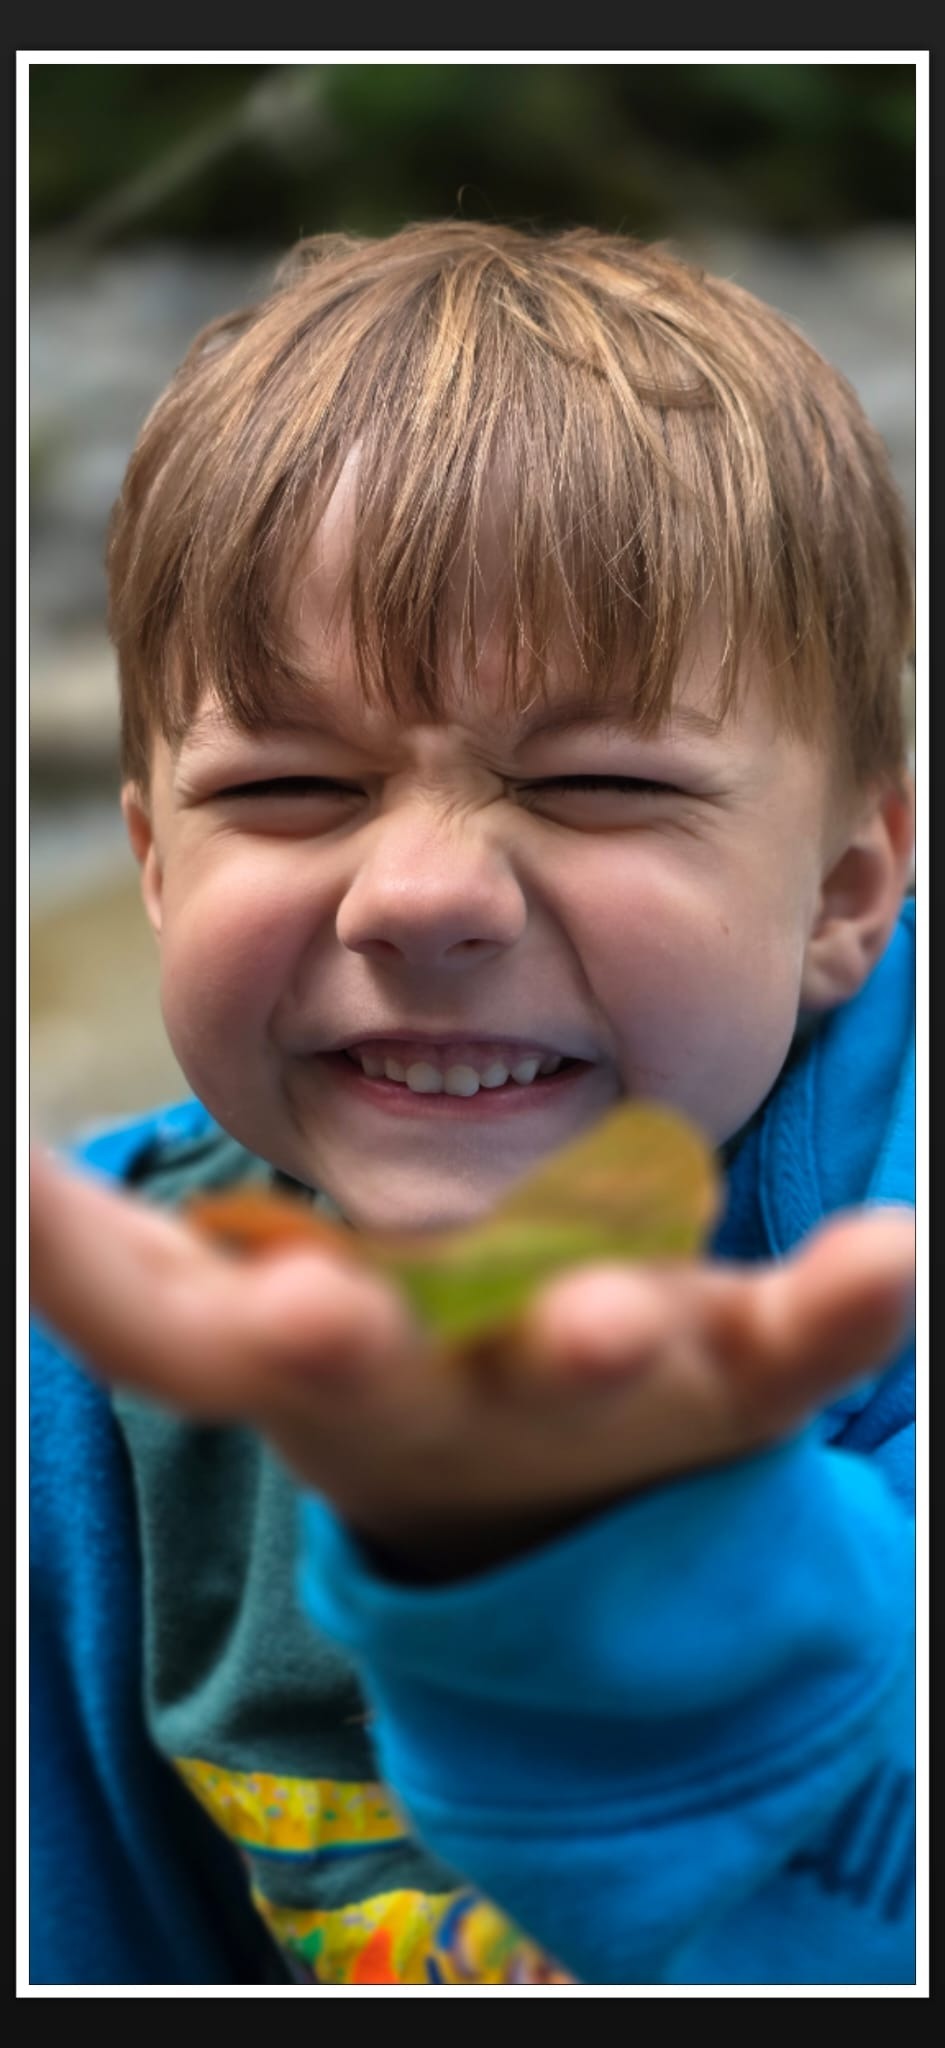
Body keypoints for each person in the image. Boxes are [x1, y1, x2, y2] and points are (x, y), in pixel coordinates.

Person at [29, 222, 917, 1988]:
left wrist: (591, 1556)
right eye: (289, 788)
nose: (419, 897)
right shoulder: (93, 1360)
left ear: (841, 890)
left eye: (595, 783)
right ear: (152, 867)